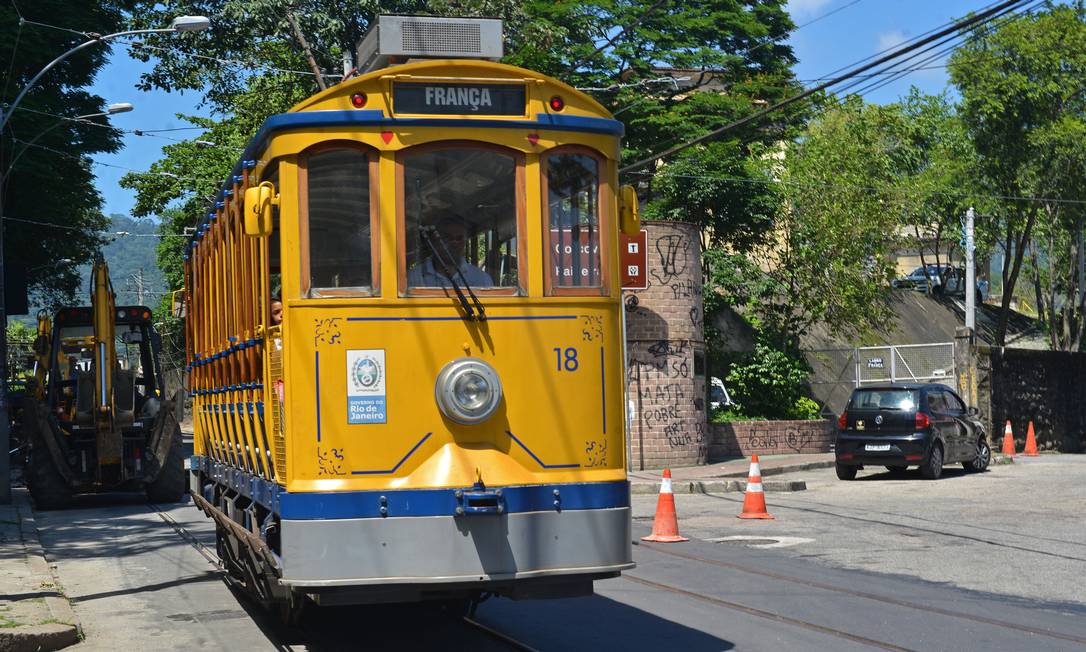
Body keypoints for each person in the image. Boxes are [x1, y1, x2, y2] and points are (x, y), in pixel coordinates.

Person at [407, 216, 494, 288]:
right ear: (434, 241)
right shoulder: (414, 278)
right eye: (447, 238)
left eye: (459, 238)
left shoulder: (481, 279)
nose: (454, 243)